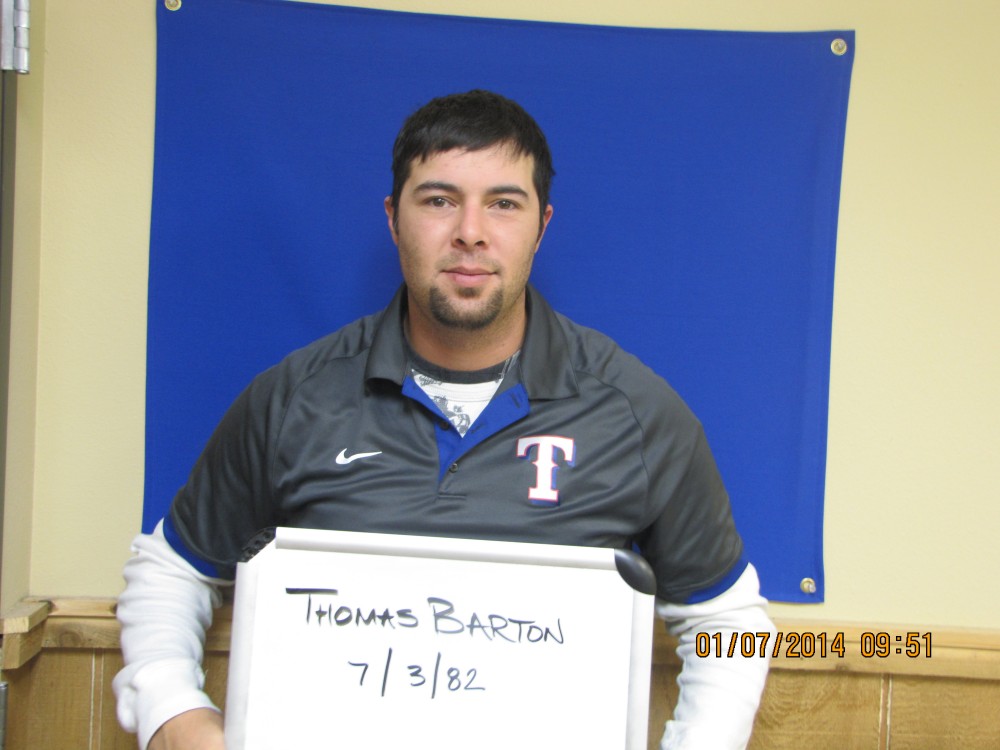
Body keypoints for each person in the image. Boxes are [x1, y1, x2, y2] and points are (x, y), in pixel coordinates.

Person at [114, 89, 775, 750]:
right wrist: (173, 714)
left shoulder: (634, 411)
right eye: (438, 200)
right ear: (393, 219)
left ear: (541, 226)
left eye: (503, 204)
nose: (470, 232)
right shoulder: (295, 398)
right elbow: (173, 568)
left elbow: (729, 620)